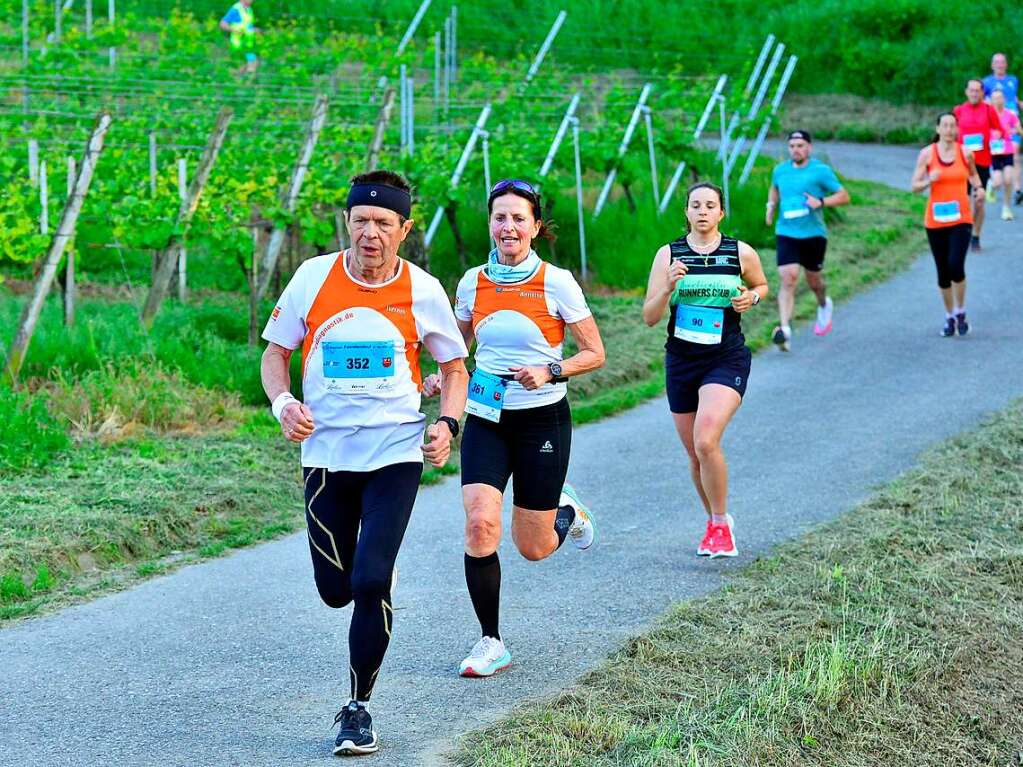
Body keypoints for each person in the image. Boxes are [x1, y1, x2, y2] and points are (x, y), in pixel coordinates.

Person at [260, 170, 469, 756]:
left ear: (404, 229)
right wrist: (283, 403)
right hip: (325, 453)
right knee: (336, 590)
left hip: (393, 451)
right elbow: (276, 354)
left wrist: (447, 425)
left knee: (370, 579)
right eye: (360, 221)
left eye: (383, 223)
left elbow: (455, 369)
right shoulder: (313, 278)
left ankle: (358, 709)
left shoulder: (423, 289)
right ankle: (367, 578)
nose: (370, 233)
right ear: (346, 223)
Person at [425, 179, 605, 679]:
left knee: (534, 546)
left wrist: (551, 370)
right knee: (480, 523)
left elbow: (595, 353)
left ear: (535, 226)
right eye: (500, 218)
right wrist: (442, 372)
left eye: (518, 218)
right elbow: (456, 346)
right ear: (490, 225)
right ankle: (490, 641)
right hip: (486, 414)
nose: (509, 227)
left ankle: (567, 511)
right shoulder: (470, 282)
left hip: (542, 417)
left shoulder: (556, 281)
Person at [642, 182, 769, 558]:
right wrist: (666, 287)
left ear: (720, 213)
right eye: (695, 205)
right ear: (686, 212)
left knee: (705, 440)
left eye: (710, 205)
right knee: (696, 456)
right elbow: (649, 317)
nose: (702, 211)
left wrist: (753, 296)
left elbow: (761, 283)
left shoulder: (739, 252)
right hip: (681, 361)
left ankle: (718, 524)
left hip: (725, 357)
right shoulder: (668, 254)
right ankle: (717, 521)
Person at [765, 130, 850, 352]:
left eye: (800, 145)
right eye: (792, 146)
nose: (796, 149)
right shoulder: (780, 170)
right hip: (786, 232)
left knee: (814, 280)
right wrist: (770, 207)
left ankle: (823, 303)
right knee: (788, 277)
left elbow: (844, 196)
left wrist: (820, 202)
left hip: (813, 235)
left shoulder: (820, 171)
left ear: (809, 148)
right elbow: (774, 189)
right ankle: (785, 330)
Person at [910, 114, 984, 337]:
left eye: (953, 125)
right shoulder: (927, 154)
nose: (950, 130)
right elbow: (914, 186)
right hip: (935, 220)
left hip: (961, 218)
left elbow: (973, 176)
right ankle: (949, 316)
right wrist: (928, 180)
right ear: (938, 129)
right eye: (945, 126)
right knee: (943, 272)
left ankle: (961, 311)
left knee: (955, 265)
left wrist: (979, 190)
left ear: (957, 129)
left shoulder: (965, 152)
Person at [954, 79, 1003, 251]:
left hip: (982, 162)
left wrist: (997, 135)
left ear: (983, 93)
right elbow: (950, 134)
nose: (974, 94)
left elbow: (1000, 132)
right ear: (966, 92)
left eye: (977, 91)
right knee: (962, 201)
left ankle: (976, 236)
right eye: (971, 90)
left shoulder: (989, 110)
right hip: (961, 163)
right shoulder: (959, 110)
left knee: (979, 202)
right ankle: (964, 232)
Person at [982, 52, 1022, 204]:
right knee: (998, 153)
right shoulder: (986, 82)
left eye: (1002, 62)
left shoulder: (1013, 80)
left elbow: (1012, 97)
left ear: (1006, 64)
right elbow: (982, 99)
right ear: (992, 65)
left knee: (1015, 151)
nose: (1000, 65)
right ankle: (994, 180)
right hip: (996, 125)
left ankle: (1017, 189)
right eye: (997, 62)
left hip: (1012, 122)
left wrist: (1019, 103)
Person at [988, 89, 1019, 220]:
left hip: (1007, 151)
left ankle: (1006, 208)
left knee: (1008, 179)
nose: (998, 100)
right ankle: (991, 185)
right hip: (994, 152)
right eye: (995, 98)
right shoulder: (988, 115)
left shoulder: (1010, 114)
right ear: (991, 100)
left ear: (1004, 100)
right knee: (998, 182)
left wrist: (1013, 130)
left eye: (1000, 98)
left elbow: (1019, 130)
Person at [219, 0, 259, 74]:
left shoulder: (249, 9)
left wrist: (254, 29)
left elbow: (247, 26)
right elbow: (222, 24)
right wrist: (234, 30)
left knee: (253, 67)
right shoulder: (236, 9)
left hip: (248, 45)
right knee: (238, 69)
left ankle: (246, 81)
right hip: (238, 46)